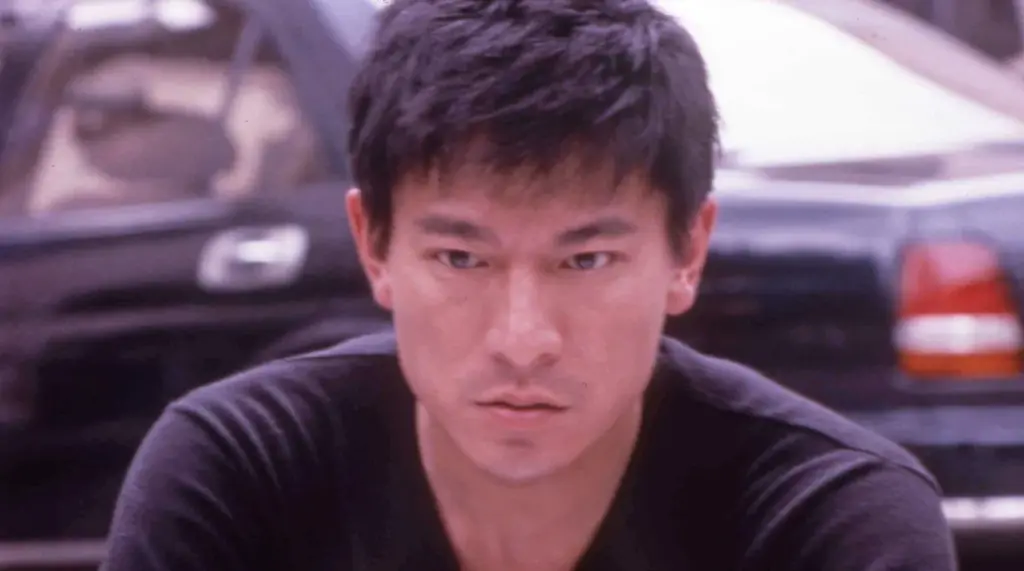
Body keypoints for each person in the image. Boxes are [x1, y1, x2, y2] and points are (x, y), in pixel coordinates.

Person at [101, 0, 957, 569]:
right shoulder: (244, 473)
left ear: (687, 252)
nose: (522, 339)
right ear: (375, 245)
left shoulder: (827, 520)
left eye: (585, 261)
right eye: (461, 258)